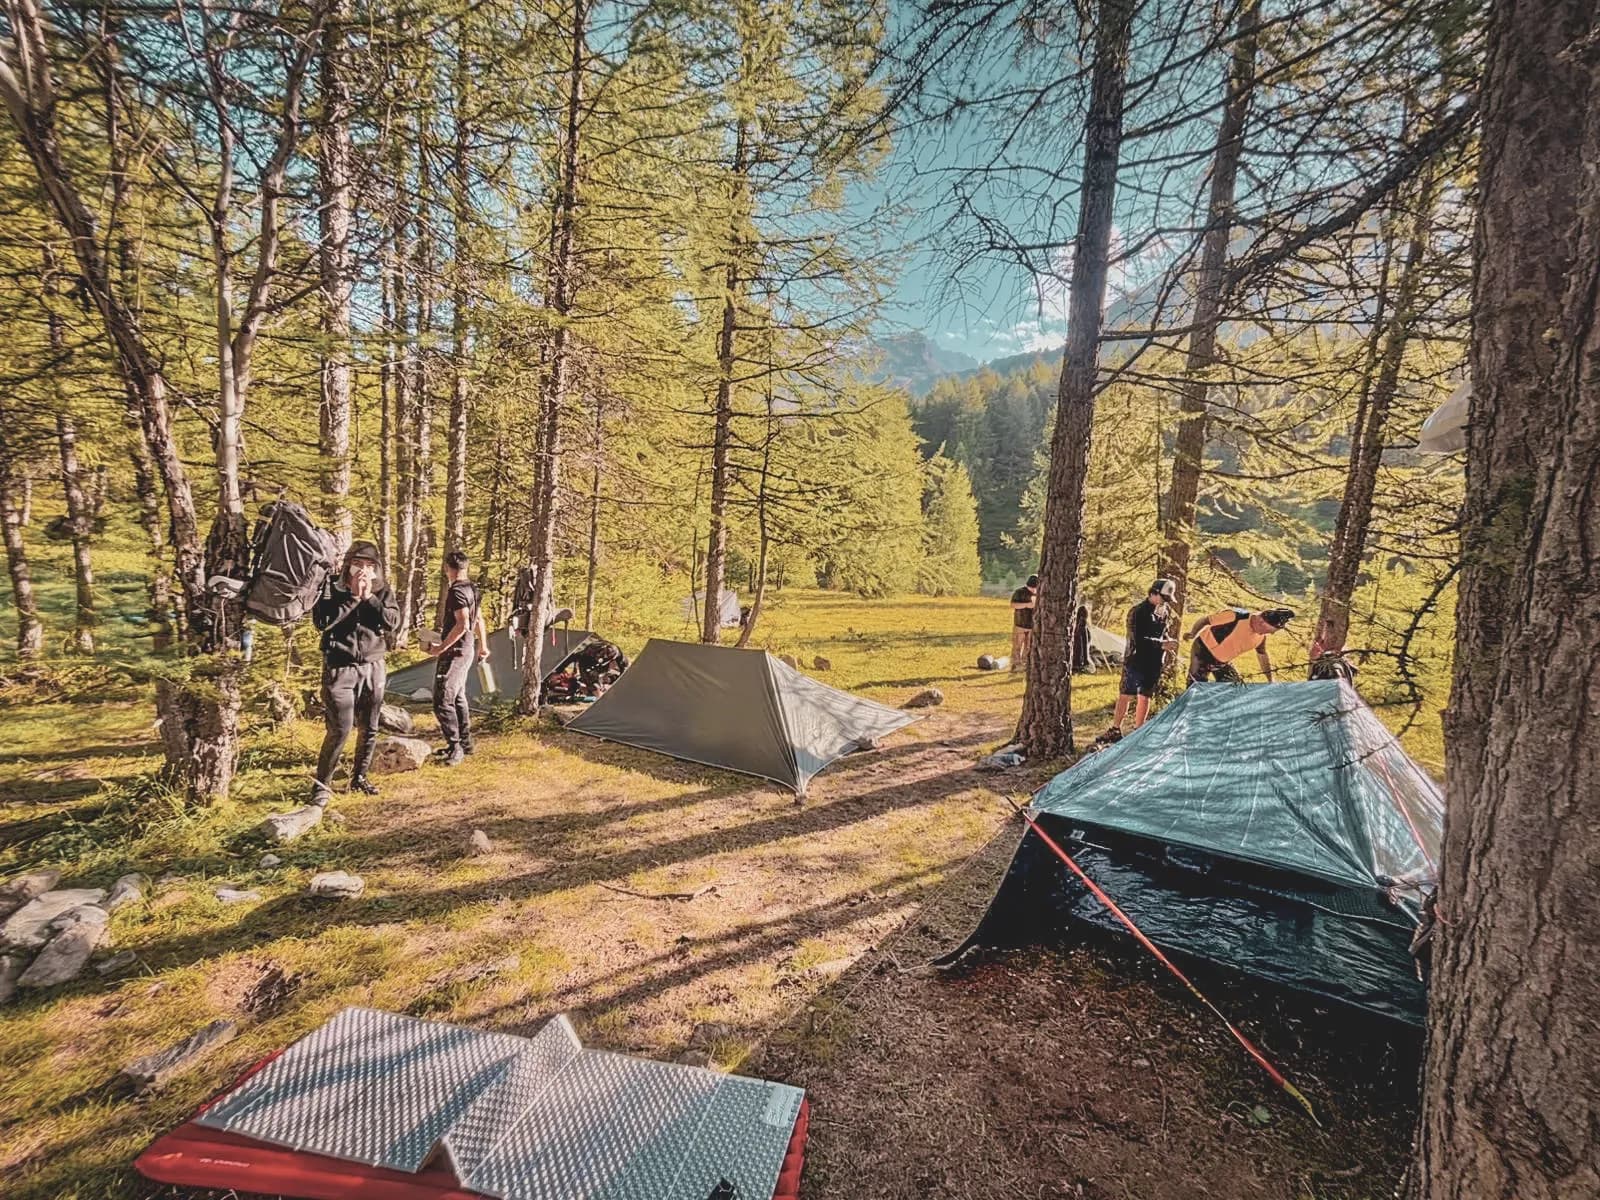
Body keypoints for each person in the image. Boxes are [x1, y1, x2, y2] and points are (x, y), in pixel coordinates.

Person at [312, 541, 399, 805]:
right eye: (358, 564)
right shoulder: (330, 588)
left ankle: (359, 777)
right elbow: (322, 622)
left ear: (377, 569)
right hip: (340, 667)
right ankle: (320, 787)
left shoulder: (383, 591)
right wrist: (352, 597)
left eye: (369, 566)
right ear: (348, 565)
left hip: (373, 665)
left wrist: (369, 598)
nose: (363, 570)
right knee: (340, 728)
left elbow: (392, 622)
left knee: (370, 726)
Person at [430, 549, 489, 766]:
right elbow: (479, 619)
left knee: (442, 699)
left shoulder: (456, 592)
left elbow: (463, 624)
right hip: (468, 648)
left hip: (455, 651)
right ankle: (465, 743)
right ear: (466, 567)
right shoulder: (473, 588)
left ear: (448, 568)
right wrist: (483, 645)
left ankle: (455, 747)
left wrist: (441, 647)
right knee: (458, 697)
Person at [1103, 579, 1179, 737]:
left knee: (1145, 695)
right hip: (1135, 659)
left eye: (1167, 600)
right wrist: (1162, 644)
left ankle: (1139, 731)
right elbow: (1138, 640)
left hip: (1154, 661)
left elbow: (1162, 632)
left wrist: (1167, 642)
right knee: (1126, 694)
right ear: (1153, 593)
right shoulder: (1137, 612)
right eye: (1163, 598)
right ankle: (1115, 730)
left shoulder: (1164, 612)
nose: (1165, 602)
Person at [1186, 605, 1295, 684]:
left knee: (1234, 686)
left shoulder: (1261, 636)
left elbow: (1262, 656)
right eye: (1268, 630)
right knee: (1196, 685)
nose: (1270, 634)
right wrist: (1193, 633)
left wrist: (1270, 680)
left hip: (1221, 661)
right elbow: (1205, 620)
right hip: (1202, 651)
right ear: (1261, 621)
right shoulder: (1237, 616)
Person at [1010, 574, 1038, 670]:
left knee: (1029, 646)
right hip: (1020, 624)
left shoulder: (1039, 593)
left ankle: (1026, 664)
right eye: (1032, 588)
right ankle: (1016, 664)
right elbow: (1013, 605)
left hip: (1032, 625)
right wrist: (1027, 605)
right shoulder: (1019, 592)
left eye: (1035, 588)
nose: (1033, 590)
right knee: (1017, 645)